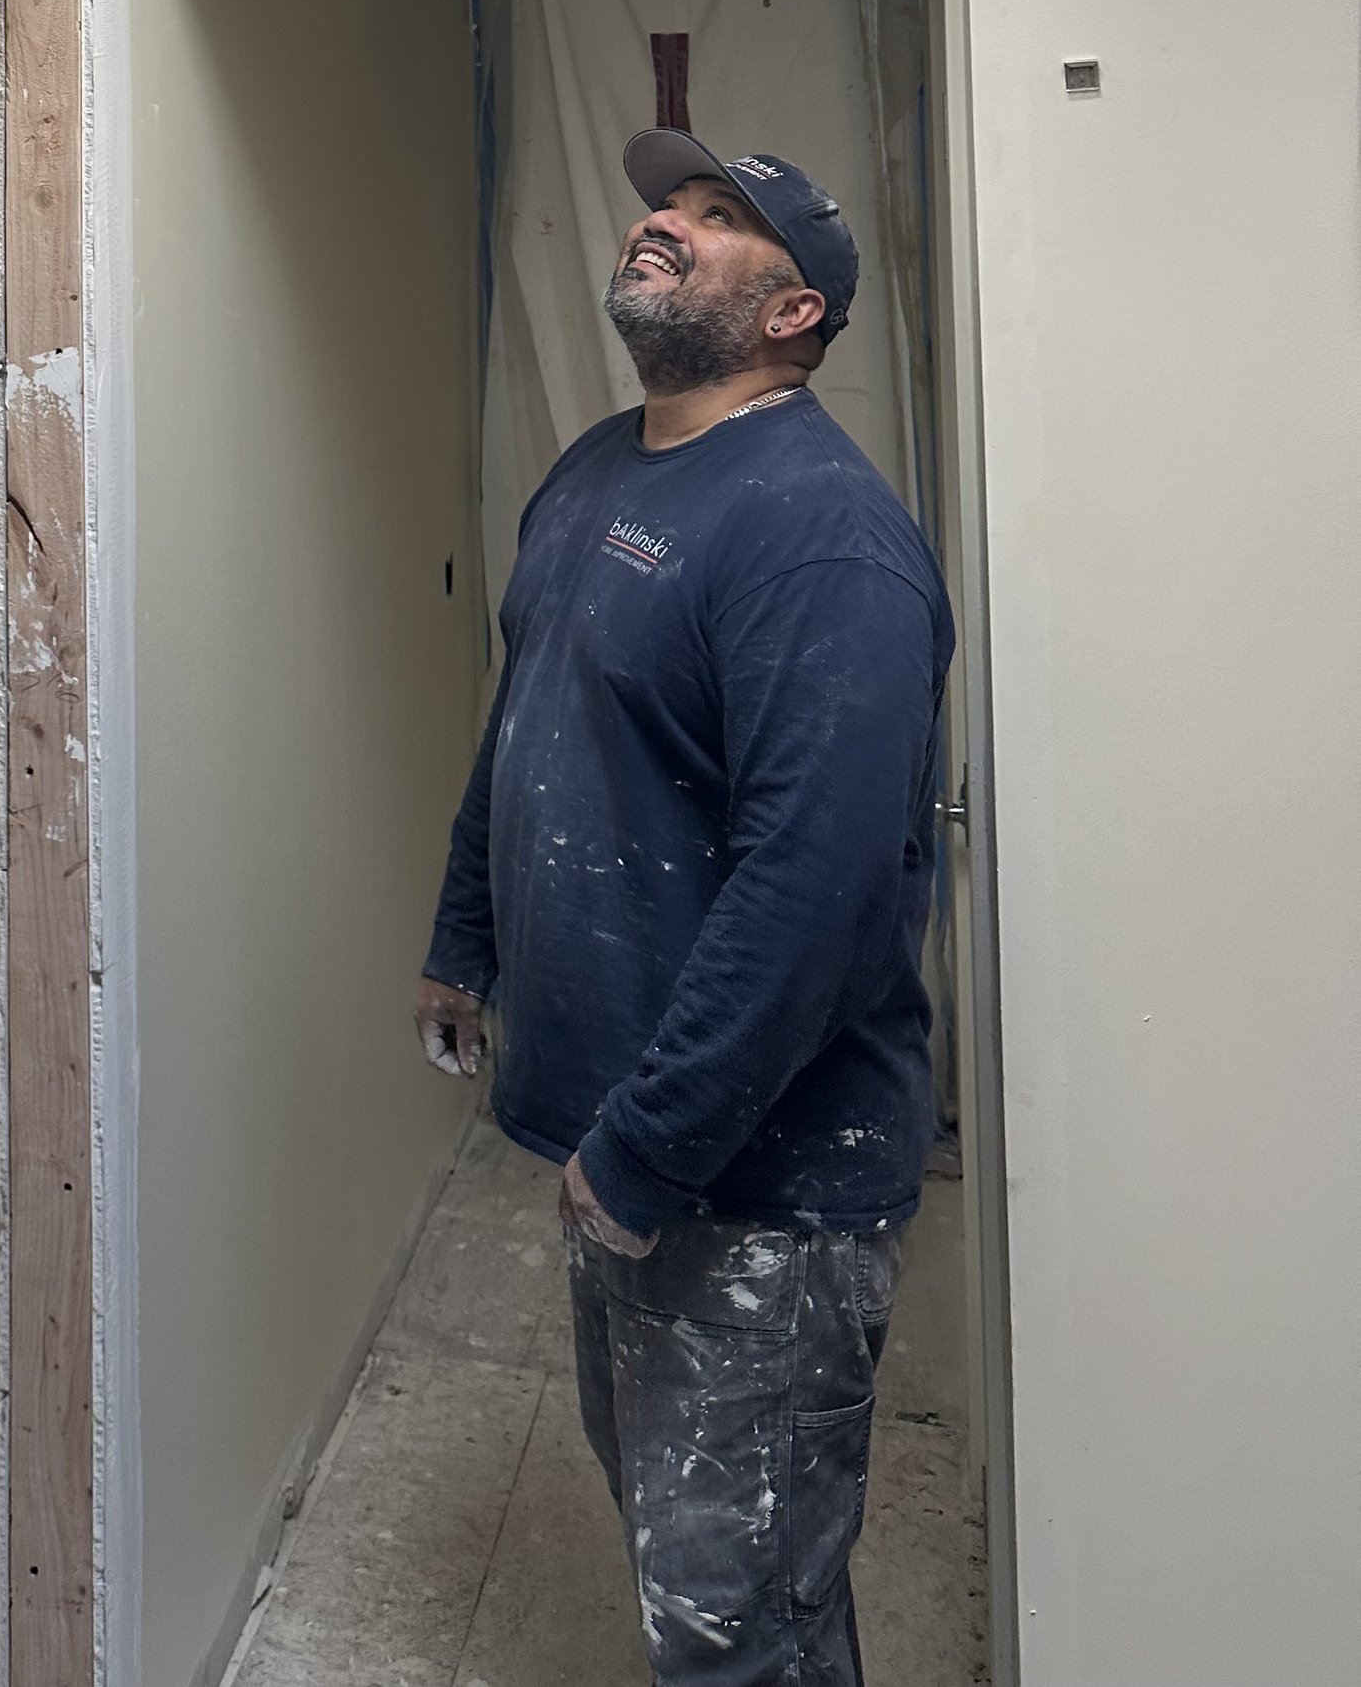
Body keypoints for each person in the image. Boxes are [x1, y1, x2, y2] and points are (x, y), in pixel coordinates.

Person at [416, 129, 953, 1687]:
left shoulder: (820, 533)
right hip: (632, 1144)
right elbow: (533, 722)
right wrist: (467, 937)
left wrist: (645, 1150)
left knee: (746, 1627)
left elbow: (819, 893)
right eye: (672, 199)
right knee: (687, 1552)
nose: (668, 219)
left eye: (722, 219)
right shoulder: (600, 463)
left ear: (794, 313)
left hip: (757, 1184)